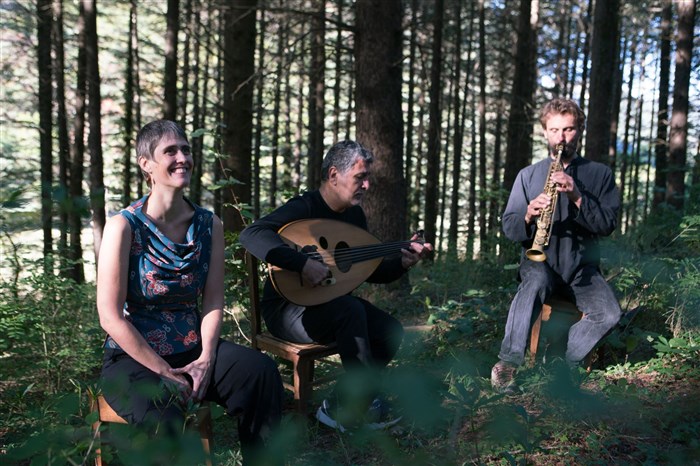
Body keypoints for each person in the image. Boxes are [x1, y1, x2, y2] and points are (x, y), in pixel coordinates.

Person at [97, 120, 283, 464]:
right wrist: (163, 372)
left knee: (260, 373)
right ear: (146, 164)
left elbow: (212, 300)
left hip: (193, 351)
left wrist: (206, 358)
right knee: (165, 416)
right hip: (133, 360)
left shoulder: (209, 224)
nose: (182, 157)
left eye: (185, 149)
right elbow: (110, 316)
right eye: (170, 151)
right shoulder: (123, 226)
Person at [240, 140, 432, 431]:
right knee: (350, 310)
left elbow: (368, 271)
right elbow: (251, 234)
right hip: (288, 311)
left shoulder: (354, 216)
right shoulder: (304, 207)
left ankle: (339, 404)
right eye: (360, 177)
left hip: (332, 308)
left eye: (367, 178)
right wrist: (302, 263)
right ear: (333, 175)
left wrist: (403, 263)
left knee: (389, 330)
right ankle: (362, 405)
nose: (367, 185)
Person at [491, 98, 622, 394]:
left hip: (582, 269)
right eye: (554, 130)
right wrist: (528, 214)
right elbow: (510, 226)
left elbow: (607, 224)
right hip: (541, 262)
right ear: (544, 132)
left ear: (580, 130)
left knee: (610, 314)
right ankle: (507, 364)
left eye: (568, 129)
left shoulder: (600, 174)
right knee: (534, 283)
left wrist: (578, 197)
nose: (561, 137)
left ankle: (560, 360)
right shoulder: (528, 175)